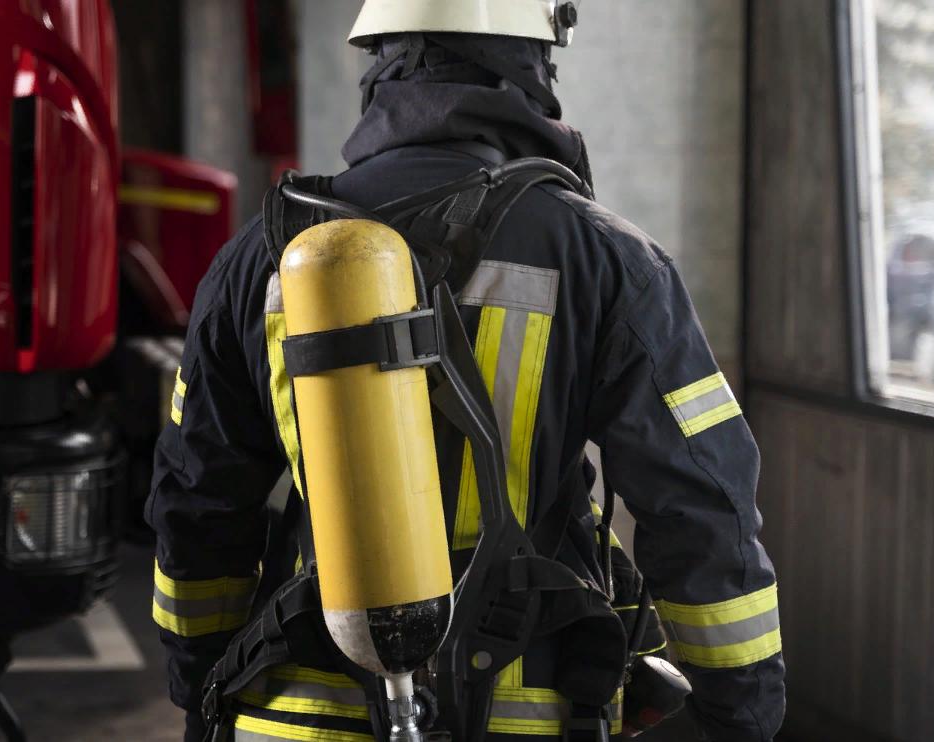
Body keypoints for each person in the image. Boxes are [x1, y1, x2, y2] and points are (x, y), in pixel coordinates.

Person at [147, 3, 785, 740]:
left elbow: (195, 504)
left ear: (380, 69)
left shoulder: (264, 255)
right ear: (532, 69)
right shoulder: (607, 259)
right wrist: (737, 714)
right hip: (531, 714)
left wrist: (201, 688)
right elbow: (701, 507)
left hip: (290, 716)